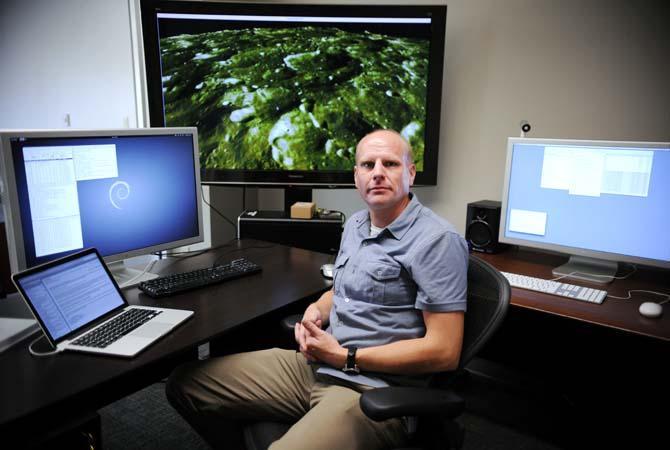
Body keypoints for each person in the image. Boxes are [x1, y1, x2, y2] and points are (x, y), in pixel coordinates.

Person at [166, 129, 468, 450]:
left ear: (410, 172)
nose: (377, 172)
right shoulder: (356, 224)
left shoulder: (436, 241)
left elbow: (444, 351)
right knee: (186, 384)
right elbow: (342, 291)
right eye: (367, 165)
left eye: (390, 163)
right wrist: (315, 312)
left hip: (372, 389)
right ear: (356, 176)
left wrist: (345, 356)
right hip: (314, 367)